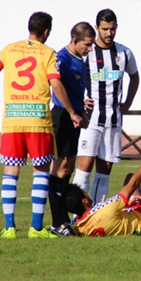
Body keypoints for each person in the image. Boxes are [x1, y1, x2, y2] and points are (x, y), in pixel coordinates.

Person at [0, 12, 84, 240]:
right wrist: (71, 112)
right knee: (41, 172)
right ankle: (36, 228)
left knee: (10, 173)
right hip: (38, 120)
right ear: (46, 32)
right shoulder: (48, 53)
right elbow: (56, 84)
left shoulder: (8, 49)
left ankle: (9, 228)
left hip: (13, 121)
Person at [64, 102, 141, 237]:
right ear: (84, 201)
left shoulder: (78, 226)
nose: (87, 194)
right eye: (84, 193)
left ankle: (140, 199)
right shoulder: (105, 210)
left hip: (131, 213)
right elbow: (132, 185)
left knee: (129, 177)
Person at [72, 9, 140, 204]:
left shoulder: (124, 52)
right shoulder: (87, 52)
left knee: (106, 167)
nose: (109, 33)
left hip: (113, 119)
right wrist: (79, 100)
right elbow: (71, 77)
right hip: (90, 119)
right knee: (84, 165)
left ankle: (97, 211)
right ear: (96, 28)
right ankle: (78, 213)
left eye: (112, 29)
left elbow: (135, 76)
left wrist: (128, 101)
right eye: (105, 29)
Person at [47, 23, 96, 236]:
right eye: (87, 44)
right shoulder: (62, 58)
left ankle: (62, 221)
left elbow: (75, 90)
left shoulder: (80, 59)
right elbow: (57, 86)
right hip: (62, 116)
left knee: (67, 168)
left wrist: (81, 111)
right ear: (75, 40)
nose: (90, 48)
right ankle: (57, 222)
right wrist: (72, 112)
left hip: (73, 115)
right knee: (59, 168)